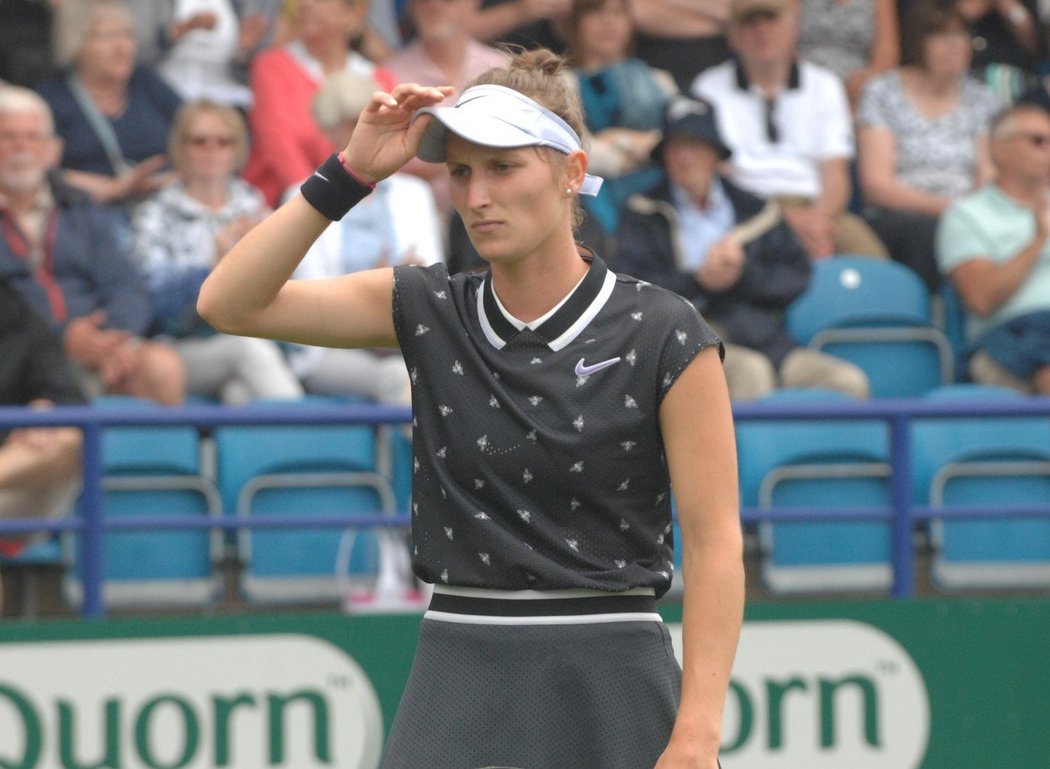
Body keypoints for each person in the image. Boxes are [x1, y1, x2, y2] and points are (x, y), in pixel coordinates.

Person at [198, 49, 743, 769]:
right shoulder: (426, 306)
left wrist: (699, 732)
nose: (477, 194)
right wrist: (350, 173)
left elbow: (714, 544)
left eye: (503, 167)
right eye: (460, 172)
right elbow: (227, 301)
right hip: (459, 664)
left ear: (572, 172)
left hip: (615, 674)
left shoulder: (665, 330)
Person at [617, 95, 870, 400]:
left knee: (848, 381)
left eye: (695, 146)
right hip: (688, 345)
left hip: (765, 340)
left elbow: (795, 276)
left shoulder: (755, 208)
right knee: (750, 373)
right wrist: (698, 281)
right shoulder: (642, 211)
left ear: (715, 154)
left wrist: (741, 275)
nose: (685, 157)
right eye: (675, 148)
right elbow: (629, 290)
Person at [0, 86, 186, 405]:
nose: (21, 147)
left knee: (161, 367)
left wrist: (109, 338)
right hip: (18, 357)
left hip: (98, 347)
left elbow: (126, 286)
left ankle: (150, 458)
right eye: (8, 136)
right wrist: (63, 336)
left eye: (32, 137)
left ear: (50, 149)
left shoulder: (80, 206)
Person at [130, 99, 303, 405]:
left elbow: (290, 286)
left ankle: (282, 453)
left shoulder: (254, 205)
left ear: (237, 150)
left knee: (241, 393)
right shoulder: (154, 215)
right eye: (199, 141)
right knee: (248, 352)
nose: (212, 150)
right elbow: (154, 307)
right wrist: (214, 271)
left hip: (255, 341)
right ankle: (315, 441)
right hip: (180, 349)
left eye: (224, 141)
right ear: (180, 148)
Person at [286, 70, 443, 403]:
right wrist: (378, 291)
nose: (360, 131)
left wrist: (399, 290)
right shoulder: (300, 194)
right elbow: (312, 297)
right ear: (329, 130)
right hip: (330, 347)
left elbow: (434, 277)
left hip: (407, 333)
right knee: (401, 378)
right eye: (348, 122)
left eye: (367, 119)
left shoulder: (415, 193)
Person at [691, 0, 890, 261]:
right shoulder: (708, 88)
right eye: (750, 23)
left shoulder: (824, 85)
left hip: (817, 208)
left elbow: (835, 175)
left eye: (771, 20)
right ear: (733, 36)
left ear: (794, 29)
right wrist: (786, 220)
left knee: (875, 266)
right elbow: (714, 176)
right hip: (742, 210)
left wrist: (818, 224)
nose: (762, 31)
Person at [857, 0, 999, 292]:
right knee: (929, 231)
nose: (955, 46)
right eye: (941, 37)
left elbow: (987, 171)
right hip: (901, 213)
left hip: (966, 210)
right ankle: (927, 324)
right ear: (917, 42)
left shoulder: (982, 98)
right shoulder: (883, 92)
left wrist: (968, 210)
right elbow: (877, 184)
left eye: (961, 36)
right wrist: (946, 209)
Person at [937, 102, 1050, 394]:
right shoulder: (966, 214)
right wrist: (1038, 240)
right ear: (1000, 148)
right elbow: (981, 299)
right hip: (1013, 336)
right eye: (1038, 141)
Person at [242, 0, 393, 207]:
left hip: (364, 213)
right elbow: (282, 153)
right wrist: (321, 212)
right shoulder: (272, 67)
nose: (305, 4)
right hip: (282, 213)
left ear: (354, 12)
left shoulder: (380, 80)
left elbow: (387, 163)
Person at [35, 0, 182, 208]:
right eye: (109, 36)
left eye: (128, 35)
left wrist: (178, 176)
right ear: (76, 42)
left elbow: (195, 133)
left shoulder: (147, 84)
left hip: (162, 206)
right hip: (88, 213)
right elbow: (42, 170)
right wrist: (112, 188)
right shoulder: (55, 98)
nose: (122, 47)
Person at [0, 278, 85, 618]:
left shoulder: (13, 308)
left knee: (67, 437)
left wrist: (44, 407)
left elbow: (66, 394)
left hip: (12, 483)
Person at [381, 0, 511, 216]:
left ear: (473, 4)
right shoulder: (387, 78)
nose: (434, 5)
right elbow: (384, 170)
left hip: (498, 214)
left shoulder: (504, 69)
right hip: (421, 220)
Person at [564, 0, 678, 235]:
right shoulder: (560, 84)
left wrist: (618, 138)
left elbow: (679, 143)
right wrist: (650, 152)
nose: (608, 22)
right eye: (596, 12)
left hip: (662, 203)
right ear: (577, 24)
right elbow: (577, 153)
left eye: (617, 13)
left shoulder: (661, 81)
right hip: (590, 207)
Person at [795, 0, 900, 111]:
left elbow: (887, 56)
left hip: (856, 86)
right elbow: (783, 34)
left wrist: (864, 81)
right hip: (806, 78)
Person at [627, 0, 733, 94]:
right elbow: (636, 11)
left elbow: (733, 10)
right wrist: (718, 24)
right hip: (653, 76)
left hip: (725, 73)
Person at [955, 0, 1042, 102]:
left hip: (1016, 76)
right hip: (963, 76)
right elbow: (941, 26)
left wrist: (1010, 8)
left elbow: (1035, 47)